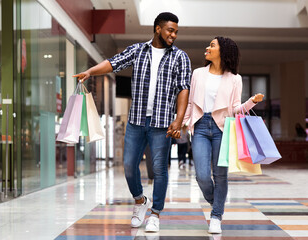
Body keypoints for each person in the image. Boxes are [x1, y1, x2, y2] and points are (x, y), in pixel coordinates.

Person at [73, 12, 191, 232]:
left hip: (162, 123)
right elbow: (113, 63)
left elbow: (184, 88)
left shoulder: (180, 57)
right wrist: (90, 71)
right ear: (158, 29)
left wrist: (179, 119)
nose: (173, 35)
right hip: (136, 120)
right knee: (129, 166)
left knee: (159, 169)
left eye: (176, 31)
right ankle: (140, 202)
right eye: (170, 30)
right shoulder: (138, 50)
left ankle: (155, 213)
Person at [183, 36, 264, 234]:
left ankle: (216, 216)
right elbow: (191, 102)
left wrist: (252, 101)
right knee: (202, 175)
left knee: (220, 176)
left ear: (223, 51)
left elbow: (236, 108)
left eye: (212, 45)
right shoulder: (198, 73)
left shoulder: (235, 79)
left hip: (222, 128)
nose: (207, 48)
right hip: (200, 126)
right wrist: (186, 122)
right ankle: (216, 202)